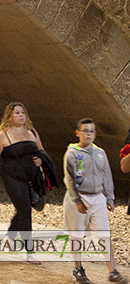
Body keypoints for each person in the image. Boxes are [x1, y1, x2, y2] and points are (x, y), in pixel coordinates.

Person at [0, 102, 45, 264]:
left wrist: (40, 159)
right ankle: (30, 251)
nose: (21, 115)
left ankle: (9, 236)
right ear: (9, 116)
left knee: (25, 208)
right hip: (12, 178)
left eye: (23, 112)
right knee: (24, 211)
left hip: (31, 176)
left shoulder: (32, 132)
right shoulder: (2, 136)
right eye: (17, 113)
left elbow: (42, 151)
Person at [64, 119, 128, 284]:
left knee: (104, 234)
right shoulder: (72, 153)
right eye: (85, 130)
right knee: (77, 234)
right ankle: (78, 269)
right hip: (79, 196)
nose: (88, 134)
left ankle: (112, 271)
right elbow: (69, 179)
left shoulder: (100, 153)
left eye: (92, 131)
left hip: (97, 197)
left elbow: (106, 175)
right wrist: (76, 200)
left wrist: (109, 197)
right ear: (78, 132)